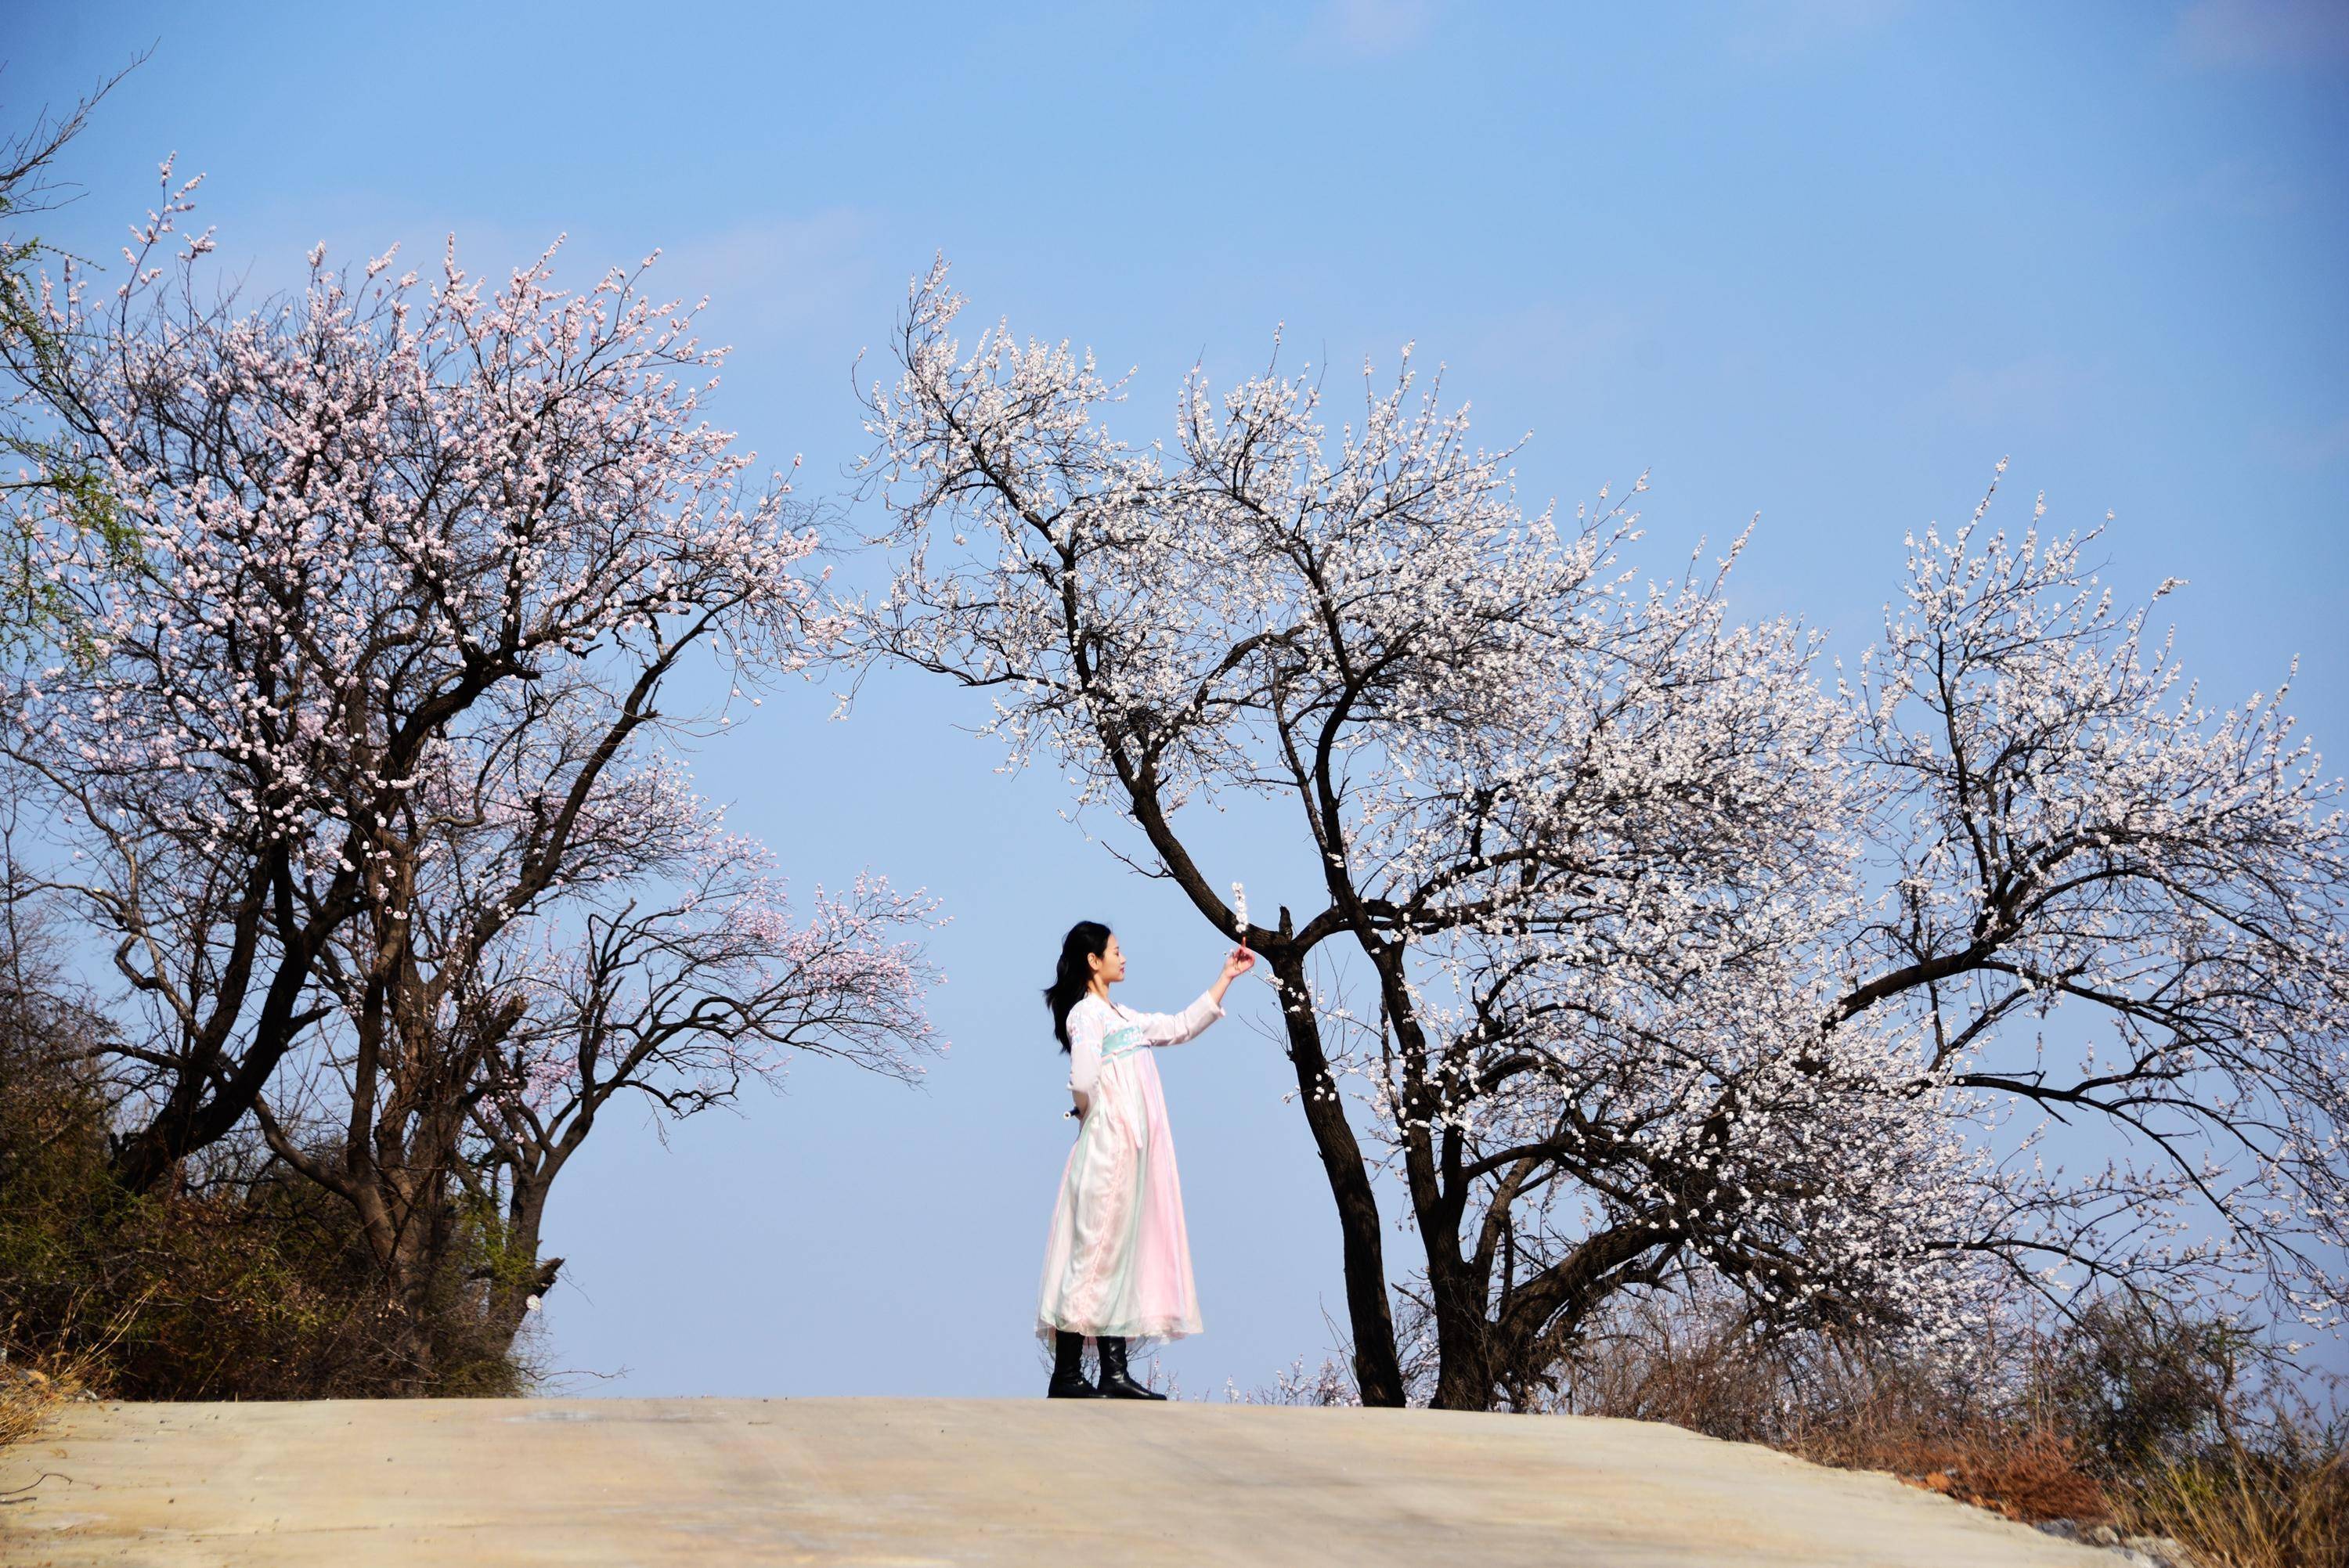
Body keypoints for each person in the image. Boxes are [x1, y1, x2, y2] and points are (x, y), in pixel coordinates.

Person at [1035, 921, 1253, 1399]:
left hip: (1127, 1155)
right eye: (1116, 950)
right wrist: (1096, 1118)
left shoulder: (1123, 1017)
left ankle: (1112, 1371)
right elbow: (1083, 1078)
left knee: (1115, 1256)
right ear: (1094, 961)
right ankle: (1069, 1374)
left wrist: (1226, 978)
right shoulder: (1085, 1016)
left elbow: (1178, 1027)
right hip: (1108, 1150)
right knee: (1093, 1255)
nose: (1124, 957)